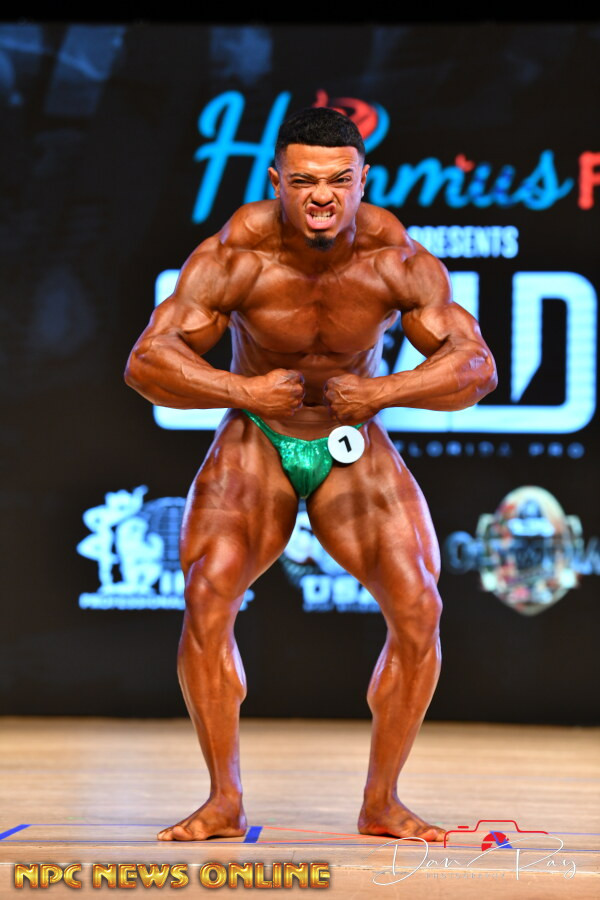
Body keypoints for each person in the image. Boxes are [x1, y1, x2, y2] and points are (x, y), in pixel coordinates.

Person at [124, 107, 497, 843]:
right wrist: (243, 391)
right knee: (207, 594)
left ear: (363, 180)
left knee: (419, 607)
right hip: (259, 437)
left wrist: (384, 391)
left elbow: (476, 366)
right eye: (303, 181)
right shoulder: (237, 254)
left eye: (337, 180)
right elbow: (146, 363)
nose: (321, 195)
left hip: (352, 441)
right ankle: (223, 799)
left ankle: (382, 802)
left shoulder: (396, 259)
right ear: (277, 181)